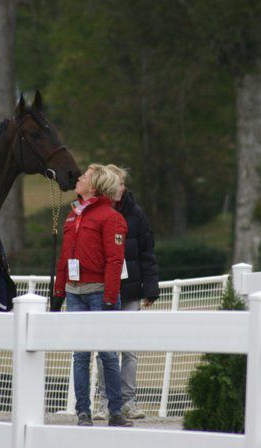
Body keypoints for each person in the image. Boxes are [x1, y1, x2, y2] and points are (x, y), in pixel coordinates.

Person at [50, 164, 133, 428]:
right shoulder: (73, 216)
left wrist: (110, 298)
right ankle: (83, 412)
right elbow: (64, 258)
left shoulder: (111, 218)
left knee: (107, 354)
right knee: (80, 355)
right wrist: (58, 293)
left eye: (84, 177)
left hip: (99, 294)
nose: (79, 178)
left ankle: (116, 411)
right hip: (75, 294)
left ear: (94, 185)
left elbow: (114, 260)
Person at [94, 164, 159, 421]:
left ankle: (129, 400)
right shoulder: (97, 215)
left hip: (130, 290)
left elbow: (147, 252)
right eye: (116, 184)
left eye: (122, 183)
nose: (120, 188)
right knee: (104, 348)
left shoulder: (137, 215)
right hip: (104, 290)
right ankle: (104, 400)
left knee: (129, 348)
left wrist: (150, 288)